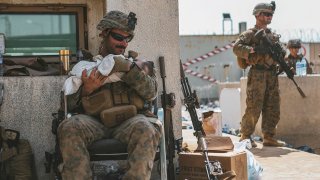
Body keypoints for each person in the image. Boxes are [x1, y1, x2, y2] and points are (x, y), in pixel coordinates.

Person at [57, 10, 161, 180]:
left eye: (127, 39)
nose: (124, 44)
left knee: (146, 129)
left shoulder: (136, 65)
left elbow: (151, 93)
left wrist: (128, 70)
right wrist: (86, 90)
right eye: (118, 38)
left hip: (130, 120)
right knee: (68, 127)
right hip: (94, 121)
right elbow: (66, 105)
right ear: (104, 34)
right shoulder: (86, 67)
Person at [233, 2, 285, 148]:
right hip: (258, 73)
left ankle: (269, 136)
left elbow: (282, 52)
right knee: (254, 105)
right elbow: (237, 47)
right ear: (258, 15)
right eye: (267, 14)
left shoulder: (272, 35)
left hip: (272, 74)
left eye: (271, 15)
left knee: (273, 105)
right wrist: (253, 50)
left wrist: (281, 55)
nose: (270, 17)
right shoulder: (250, 34)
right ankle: (245, 135)